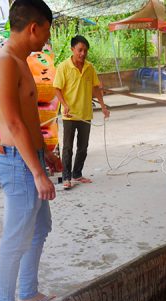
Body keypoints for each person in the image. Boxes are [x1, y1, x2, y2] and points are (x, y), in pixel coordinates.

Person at [0, 0, 62, 301]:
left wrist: (44, 152)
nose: (46, 40)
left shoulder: (19, 61)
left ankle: (27, 293)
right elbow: (14, 123)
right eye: (46, 32)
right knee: (15, 239)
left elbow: (30, 117)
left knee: (40, 228)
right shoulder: (4, 62)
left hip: (30, 158)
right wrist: (36, 173)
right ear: (34, 27)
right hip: (18, 165)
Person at [53, 35, 110, 190]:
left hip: (85, 114)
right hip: (69, 114)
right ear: (72, 50)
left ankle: (77, 174)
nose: (83, 53)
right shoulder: (63, 67)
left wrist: (103, 107)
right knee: (67, 147)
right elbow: (57, 88)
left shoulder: (89, 68)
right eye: (80, 50)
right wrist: (64, 105)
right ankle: (66, 177)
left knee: (83, 147)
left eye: (85, 50)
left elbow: (96, 88)